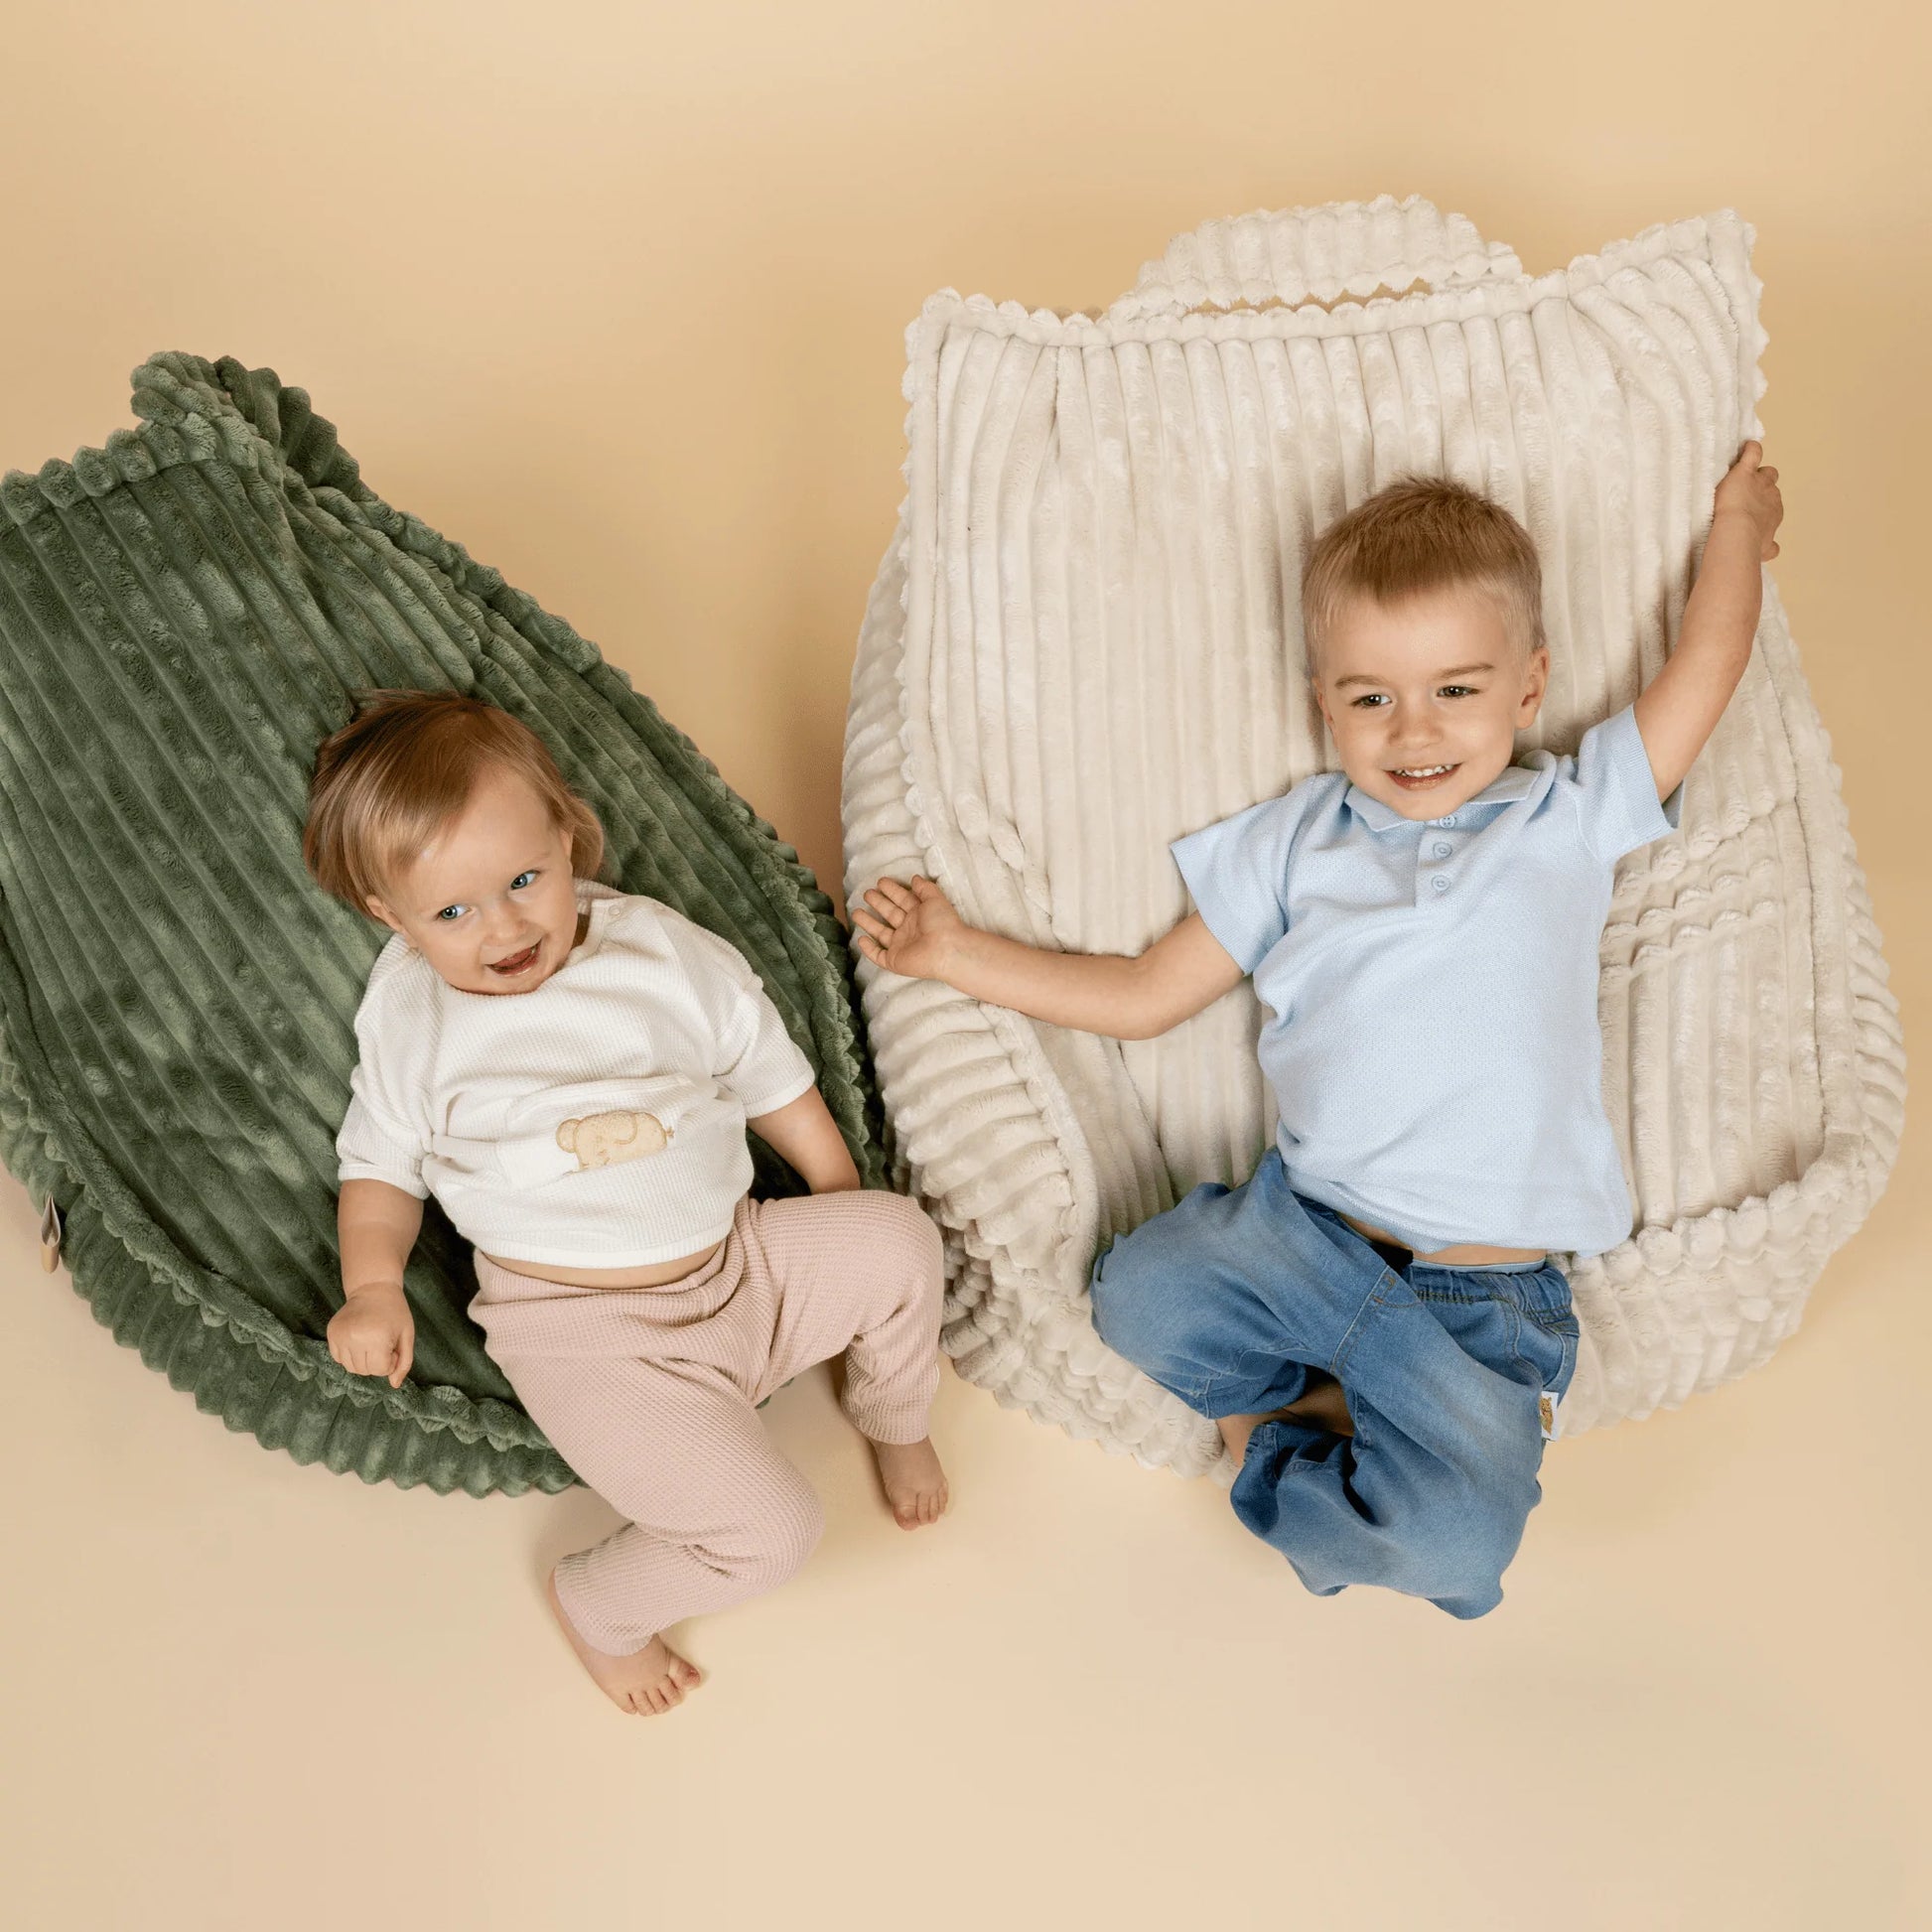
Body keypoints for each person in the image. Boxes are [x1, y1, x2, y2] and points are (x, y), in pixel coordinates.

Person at [855, 447, 1782, 1617]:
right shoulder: (1294, 841)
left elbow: (1706, 666)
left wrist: (1739, 527)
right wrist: (953, 954)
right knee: (1137, 1294)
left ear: (1528, 686)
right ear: (1322, 703)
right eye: (1369, 697)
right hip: (1304, 1240)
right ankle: (1322, 1399)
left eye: (1455, 689)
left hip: (1478, 1304)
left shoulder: (1569, 813)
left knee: (1459, 1545)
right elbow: (1145, 992)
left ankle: (1279, 1443)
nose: (1413, 730)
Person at [306, 692, 949, 1712]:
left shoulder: (654, 950)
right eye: (452, 913)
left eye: (525, 879)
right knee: (775, 1531)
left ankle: (892, 1409)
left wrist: (835, 1188)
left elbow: (765, 1069)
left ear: (566, 835)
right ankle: (602, 1605)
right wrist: (372, 1285)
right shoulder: (415, 1018)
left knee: (900, 1239)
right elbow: (379, 1166)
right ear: (392, 917)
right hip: (590, 1343)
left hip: (743, 1266)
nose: (504, 927)